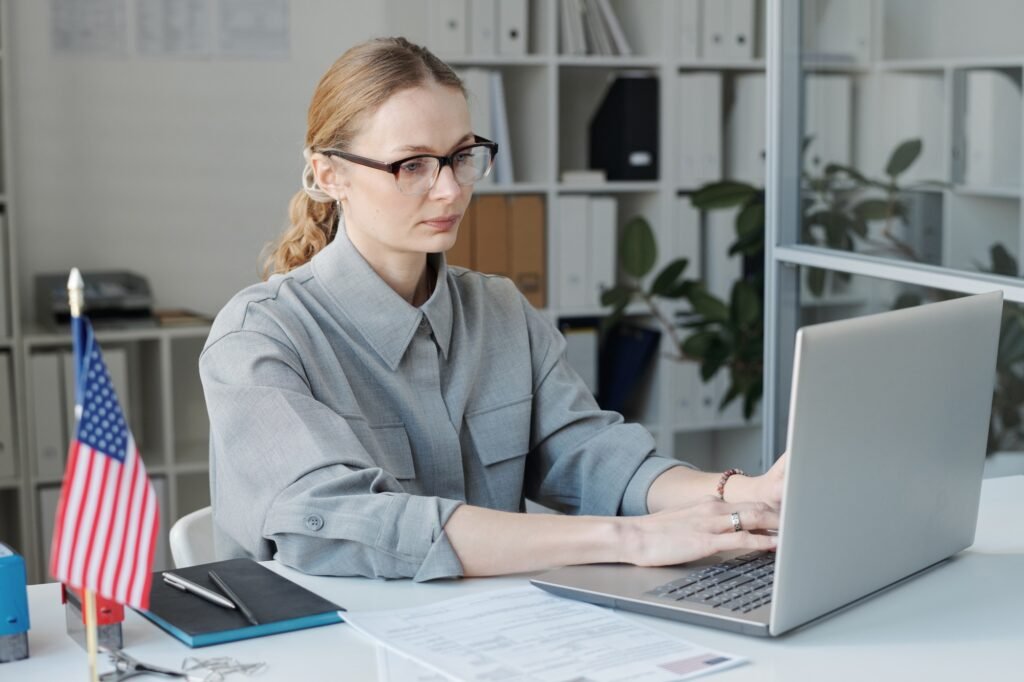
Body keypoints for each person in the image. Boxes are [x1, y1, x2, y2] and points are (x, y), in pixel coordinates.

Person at [199, 37, 786, 582]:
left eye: (461, 156)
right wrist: (628, 539)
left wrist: (745, 493)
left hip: (492, 637)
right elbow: (343, 526)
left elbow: (590, 457)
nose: (451, 190)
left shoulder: (500, 310)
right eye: (412, 165)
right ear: (329, 174)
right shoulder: (260, 337)